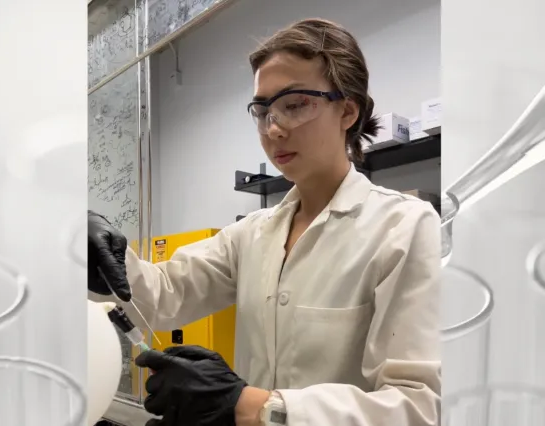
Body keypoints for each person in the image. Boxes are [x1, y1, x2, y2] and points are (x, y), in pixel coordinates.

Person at [88, 18, 441, 426]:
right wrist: (102, 257)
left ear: (347, 110)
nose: (273, 128)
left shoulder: (404, 228)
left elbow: (420, 407)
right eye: (262, 110)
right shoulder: (252, 233)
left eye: (294, 105)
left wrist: (250, 405)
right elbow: (164, 295)